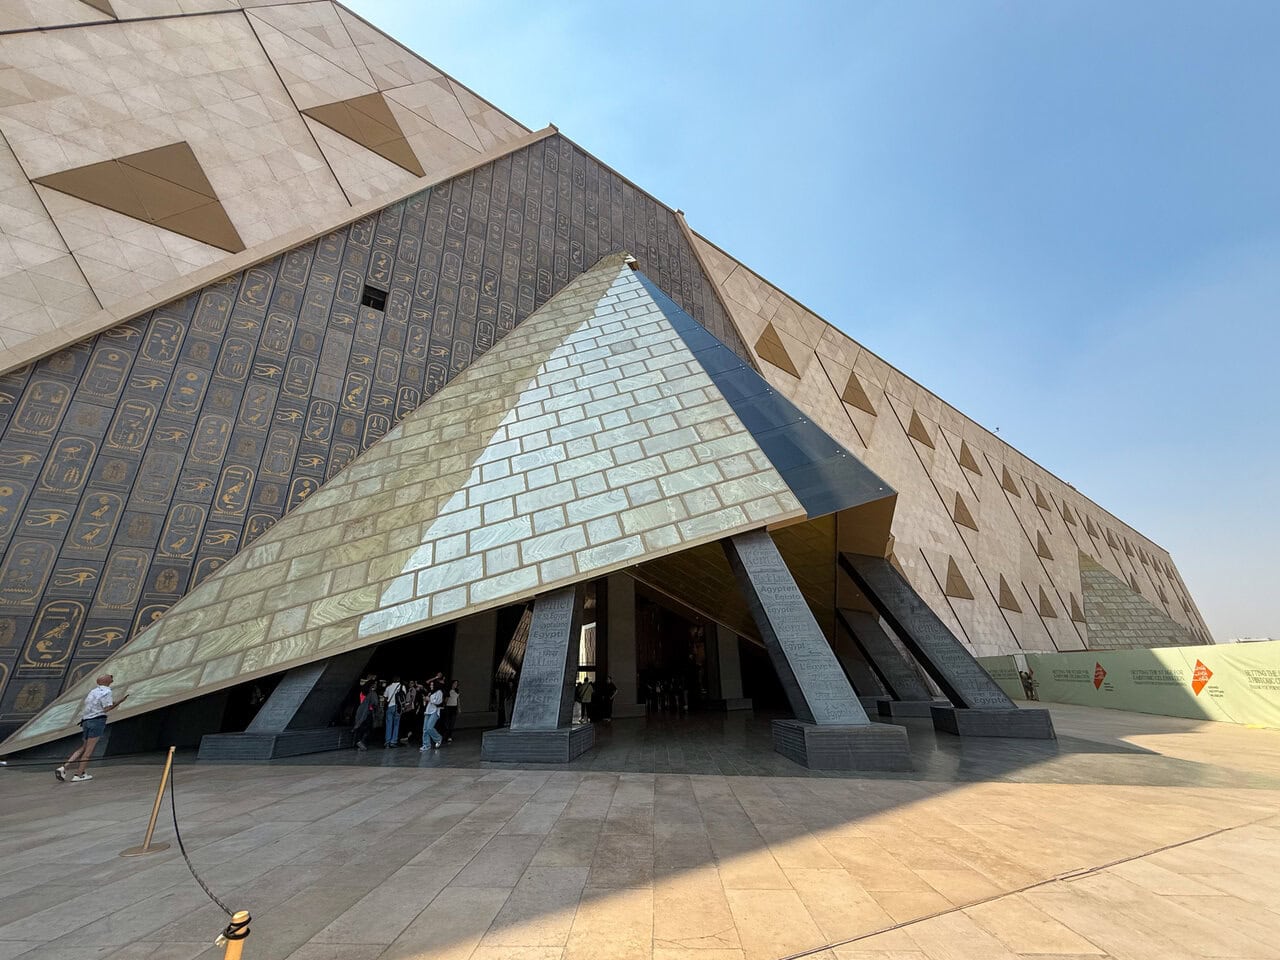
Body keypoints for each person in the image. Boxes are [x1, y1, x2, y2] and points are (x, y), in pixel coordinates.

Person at [56, 674, 128, 782]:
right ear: (106, 681)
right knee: (88, 750)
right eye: (110, 677)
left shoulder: (93, 691)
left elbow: (94, 705)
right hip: (97, 721)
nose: (112, 677)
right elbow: (106, 709)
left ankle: (64, 767)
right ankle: (78, 775)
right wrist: (119, 702)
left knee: (84, 747)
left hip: (86, 721)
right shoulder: (107, 692)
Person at [353, 681, 377, 751]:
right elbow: (374, 703)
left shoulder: (362, 692)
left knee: (360, 726)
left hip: (360, 711)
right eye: (375, 684)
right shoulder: (372, 693)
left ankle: (359, 742)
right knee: (368, 728)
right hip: (368, 712)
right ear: (371, 685)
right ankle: (361, 742)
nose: (376, 686)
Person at [420, 680, 444, 750]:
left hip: (435, 711)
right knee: (425, 729)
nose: (431, 686)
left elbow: (438, 702)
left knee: (429, 728)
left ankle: (438, 738)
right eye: (430, 685)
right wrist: (425, 699)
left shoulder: (439, 692)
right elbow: (428, 701)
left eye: (432, 685)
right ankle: (426, 745)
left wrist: (429, 699)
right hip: (428, 711)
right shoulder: (430, 693)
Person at [383, 675, 404, 748]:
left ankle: (387, 742)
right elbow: (403, 698)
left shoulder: (388, 687)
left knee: (388, 724)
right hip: (397, 707)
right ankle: (393, 741)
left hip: (389, 706)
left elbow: (385, 697)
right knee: (396, 724)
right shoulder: (401, 686)